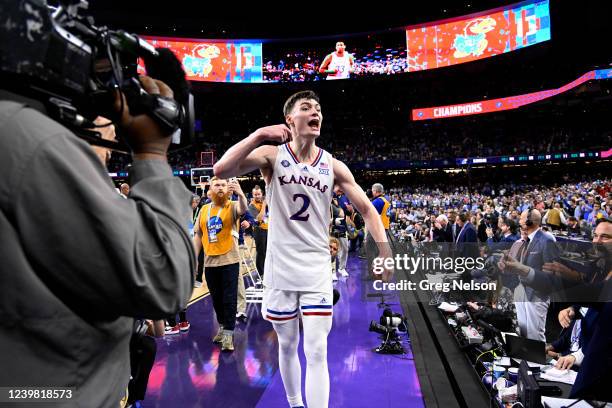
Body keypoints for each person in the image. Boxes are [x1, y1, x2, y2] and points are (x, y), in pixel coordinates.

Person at [0, 75, 195, 407]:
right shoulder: (27, 137)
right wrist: (151, 154)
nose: (116, 134)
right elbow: (164, 278)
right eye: (110, 122)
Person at [213, 90, 392, 408]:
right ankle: (296, 404)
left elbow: (367, 211)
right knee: (287, 344)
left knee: (317, 349)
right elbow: (222, 171)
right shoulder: (272, 154)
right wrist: (258, 135)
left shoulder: (333, 165)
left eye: (319, 109)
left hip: (315, 268)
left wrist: (385, 251)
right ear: (289, 119)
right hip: (280, 268)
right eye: (307, 107)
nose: (316, 112)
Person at [194, 177, 247, 352]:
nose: (221, 187)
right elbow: (198, 235)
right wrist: (194, 258)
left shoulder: (231, 206)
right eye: (217, 185)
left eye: (224, 185)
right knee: (216, 299)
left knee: (229, 299)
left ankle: (229, 335)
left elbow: (243, 209)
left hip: (229, 260)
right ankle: (223, 327)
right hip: (210, 262)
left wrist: (240, 195)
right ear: (210, 189)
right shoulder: (203, 209)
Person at [248, 185, 269, 278]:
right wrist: (264, 205)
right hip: (259, 230)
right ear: (252, 195)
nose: (257, 196)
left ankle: (268, 270)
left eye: (258, 194)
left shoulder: (267, 202)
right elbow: (259, 218)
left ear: (262, 194)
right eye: (255, 194)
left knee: (269, 251)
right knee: (261, 252)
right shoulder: (252, 205)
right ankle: (261, 273)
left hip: (269, 229)